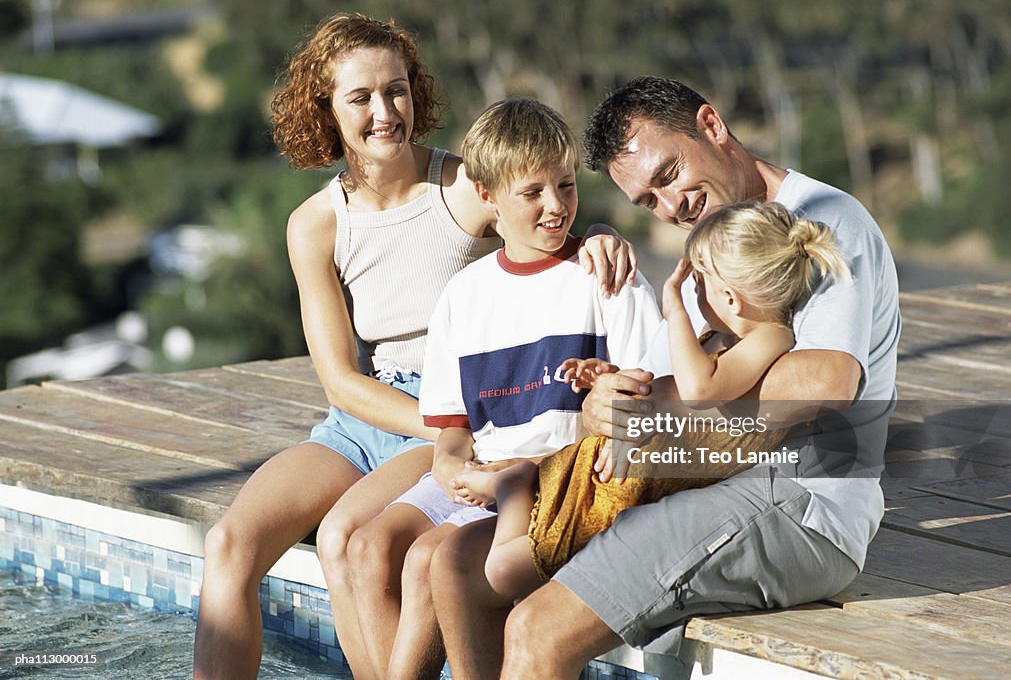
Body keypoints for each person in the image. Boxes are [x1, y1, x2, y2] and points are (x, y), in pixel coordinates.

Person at [191, 14, 636, 680]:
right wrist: (438, 426)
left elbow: (548, 215)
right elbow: (340, 380)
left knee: (348, 541)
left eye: (395, 90)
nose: (384, 112)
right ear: (326, 110)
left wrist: (602, 230)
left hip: (454, 406)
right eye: (360, 97)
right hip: (368, 415)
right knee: (228, 542)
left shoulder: (463, 188)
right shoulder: (314, 223)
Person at [430, 76, 901, 679]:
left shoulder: (823, 221)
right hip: (690, 483)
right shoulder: (710, 247)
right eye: (649, 201)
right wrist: (607, 399)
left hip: (797, 502)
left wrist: (661, 408)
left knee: (537, 629)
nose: (671, 205)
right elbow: (647, 385)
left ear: (711, 125)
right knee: (459, 563)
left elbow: (826, 380)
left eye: (669, 174)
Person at [344, 97, 663, 679]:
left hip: (556, 481)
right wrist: (451, 472)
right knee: (367, 548)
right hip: (485, 478)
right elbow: (451, 435)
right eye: (533, 193)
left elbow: (645, 416)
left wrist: (510, 474)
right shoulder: (465, 296)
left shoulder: (606, 277)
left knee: (426, 562)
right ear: (487, 196)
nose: (555, 206)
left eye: (566, 186)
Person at [455, 199, 850, 601]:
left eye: (700, 283)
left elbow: (698, 391)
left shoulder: (772, 337)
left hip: (636, 490)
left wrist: (674, 309)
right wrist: (613, 380)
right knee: (495, 565)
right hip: (625, 475)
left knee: (503, 572)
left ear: (730, 298)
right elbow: (668, 390)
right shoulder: (719, 340)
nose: (693, 293)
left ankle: (511, 486)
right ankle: (516, 484)